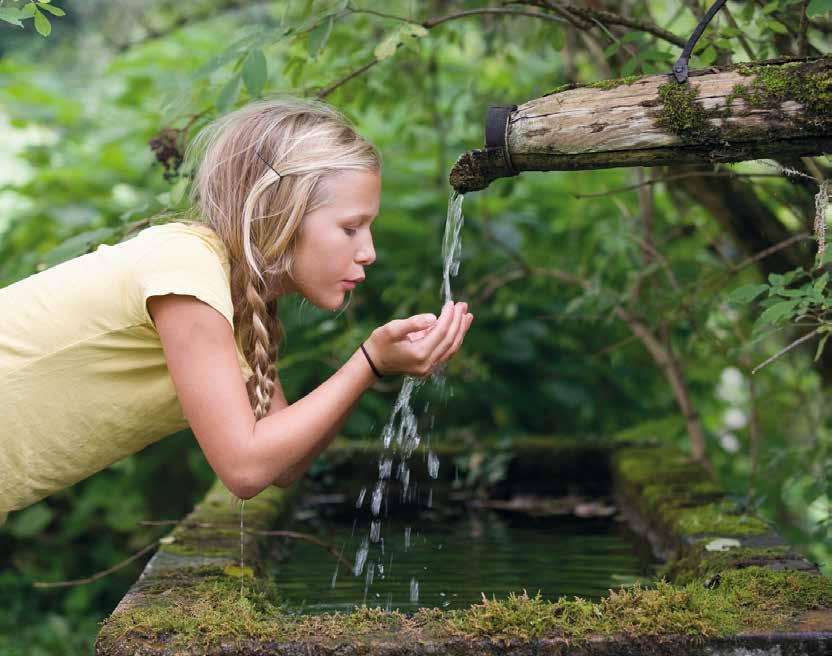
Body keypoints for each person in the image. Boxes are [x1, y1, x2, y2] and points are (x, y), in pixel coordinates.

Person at [0, 96, 473, 526]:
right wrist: (368, 363)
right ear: (281, 213)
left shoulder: (233, 297)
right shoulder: (185, 270)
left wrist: (374, 367)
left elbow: (281, 464)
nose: (368, 251)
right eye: (351, 228)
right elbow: (244, 468)